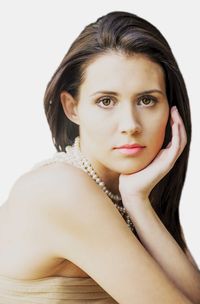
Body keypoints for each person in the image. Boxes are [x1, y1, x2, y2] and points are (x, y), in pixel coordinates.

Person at [0, 10, 199, 304]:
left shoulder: (129, 191)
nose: (130, 124)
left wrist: (138, 202)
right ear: (72, 108)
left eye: (147, 100)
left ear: (171, 109)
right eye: (106, 101)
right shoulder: (61, 189)